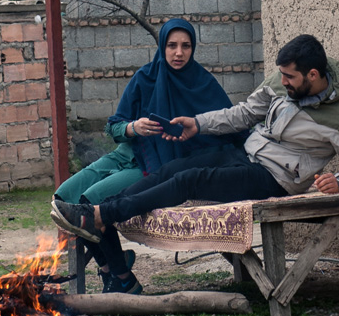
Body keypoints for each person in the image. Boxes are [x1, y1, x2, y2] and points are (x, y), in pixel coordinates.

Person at [52, 34, 339, 295]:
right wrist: (199, 124)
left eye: (290, 77)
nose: (283, 82)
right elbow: (244, 113)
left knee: (190, 181)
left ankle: (98, 216)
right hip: (245, 154)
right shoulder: (282, 83)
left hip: (273, 178)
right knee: (173, 170)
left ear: (313, 76)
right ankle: (102, 213)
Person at [52, 18, 245, 291]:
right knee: (62, 198)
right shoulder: (145, 77)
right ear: (162, 46)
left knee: (87, 202)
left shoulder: (203, 83)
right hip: (125, 154)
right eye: (172, 46)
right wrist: (134, 127)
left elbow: (228, 124)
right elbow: (114, 126)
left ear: (193, 48)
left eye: (186, 46)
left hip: (153, 167)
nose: (179, 53)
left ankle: (123, 280)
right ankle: (111, 267)